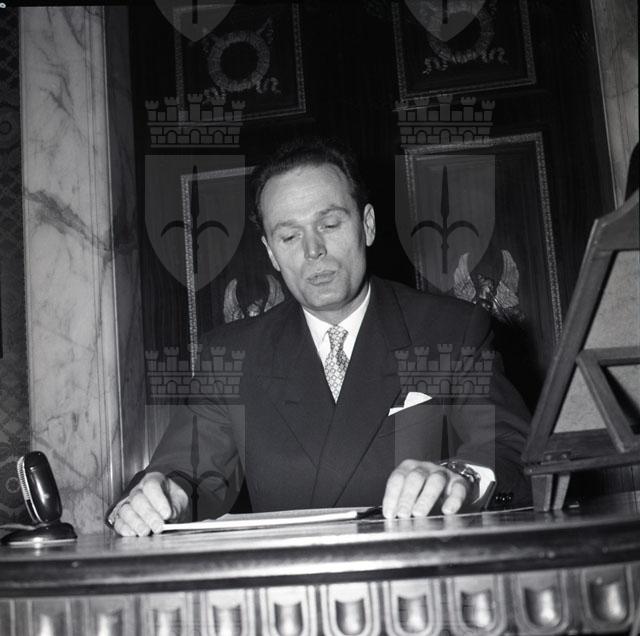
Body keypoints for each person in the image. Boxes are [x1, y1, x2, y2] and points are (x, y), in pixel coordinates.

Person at [109, 138, 530, 537]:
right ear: (271, 252)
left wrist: (461, 477)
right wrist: (163, 496)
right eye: (289, 236)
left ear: (367, 225)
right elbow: (185, 474)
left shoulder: (453, 330)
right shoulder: (232, 355)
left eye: (329, 224)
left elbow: (511, 452)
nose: (313, 250)